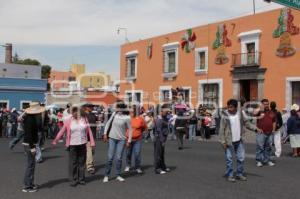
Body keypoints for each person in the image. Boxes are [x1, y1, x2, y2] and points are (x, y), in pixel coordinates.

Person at [52, 106, 95, 187]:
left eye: (76, 111)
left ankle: (81, 179)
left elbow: (89, 132)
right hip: (72, 145)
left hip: (83, 144)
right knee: (73, 163)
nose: (75, 113)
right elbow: (62, 131)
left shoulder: (84, 119)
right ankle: (73, 179)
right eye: (73, 112)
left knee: (81, 163)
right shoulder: (69, 121)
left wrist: (92, 143)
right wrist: (55, 140)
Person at [219, 99, 261, 182]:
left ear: (235, 107)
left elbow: (247, 123)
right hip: (229, 141)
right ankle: (230, 175)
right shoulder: (225, 115)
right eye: (228, 106)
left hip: (239, 140)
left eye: (231, 107)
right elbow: (221, 129)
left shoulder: (240, 114)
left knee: (241, 158)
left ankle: (239, 173)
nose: (229, 108)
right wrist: (222, 141)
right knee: (229, 159)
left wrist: (256, 129)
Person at [103, 101, 132, 183]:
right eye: (117, 108)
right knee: (110, 158)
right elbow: (108, 124)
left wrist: (129, 141)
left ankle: (118, 175)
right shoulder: (114, 114)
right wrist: (105, 134)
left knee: (119, 158)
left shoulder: (127, 117)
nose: (117, 109)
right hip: (112, 138)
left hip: (121, 140)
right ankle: (106, 175)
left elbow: (130, 129)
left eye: (118, 107)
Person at [22, 102, 46, 193]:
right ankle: (27, 186)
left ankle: (29, 183)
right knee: (30, 165)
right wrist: (32, 147)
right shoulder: (30, 120)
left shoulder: (30, 118)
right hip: (29, 144)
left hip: (29, 143)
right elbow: (29, 135)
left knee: (31, 165)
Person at [125, 105, 147, 173]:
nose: (132, 112)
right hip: (128, 139)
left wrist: (139, 132)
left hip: (138, 139)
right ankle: (128, 165)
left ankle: (138, 167)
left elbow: (144, 127)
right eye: (131, 111)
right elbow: (123, 128)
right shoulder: (127, 118)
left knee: (137, 154)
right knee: (128, 153)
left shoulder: (140, 119)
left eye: (133, 111)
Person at [256, 99, 276, 167]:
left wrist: (273, 130)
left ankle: (267, 160)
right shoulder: (259, 111)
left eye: (267, 104)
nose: (266, 105)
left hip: (270, 132)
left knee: (268, 147)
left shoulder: (271, 112)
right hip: (261, 132)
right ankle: (259, 160)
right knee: (260, 147)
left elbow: (274, 121)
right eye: (264, 104)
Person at [154, 104, 171, 174]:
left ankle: (163, 166)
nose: (168, 112)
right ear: (161, 111)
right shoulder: (159, 119)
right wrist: (162, 140)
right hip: (159, 138)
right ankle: (157, 168)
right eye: (166, 111)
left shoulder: (165, 118)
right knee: (158, 154)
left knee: (162, 153)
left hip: (163, 137)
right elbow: (159, 131)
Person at [83, 104, 97, 174]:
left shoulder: (93, 115)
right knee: (89, 151)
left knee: (92, 151)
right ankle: (89, 166)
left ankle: (87, 163)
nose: (92, 107)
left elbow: (95, 123)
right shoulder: (83, 115)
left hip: (92, 135)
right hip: (85, 135)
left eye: (92, 106)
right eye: (90, 107)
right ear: (86, 107)